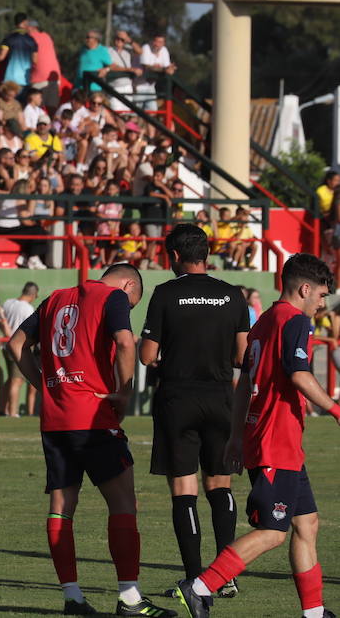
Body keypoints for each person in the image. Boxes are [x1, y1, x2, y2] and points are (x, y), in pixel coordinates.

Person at [173, 253, 337, 618]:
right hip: (276, 442)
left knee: (306, 523)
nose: (322, 304)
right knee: (273, 532)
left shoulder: (264, 321)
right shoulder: (295, 321)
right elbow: (298, 374)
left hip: (277, 441)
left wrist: (235, 437)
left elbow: (246, 382)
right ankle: (199, 587)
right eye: (321, 295)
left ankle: (313, 613)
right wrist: (336, 408)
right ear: (305, 289)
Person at [9, 263, 174, 617]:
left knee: (61, 506)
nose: (126, 310)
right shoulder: (112, 296)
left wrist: (45, 387)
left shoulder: (55, 298)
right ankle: (130, 598)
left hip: (56, 420)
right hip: (94, 415)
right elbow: (125, 342)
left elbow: (16, 344)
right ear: (129, 285)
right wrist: (125, 393)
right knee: (123, 503)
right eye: (132, 304)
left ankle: (72, 597)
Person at [140, 224, 251, 592]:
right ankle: (225, 576)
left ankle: (193, 578)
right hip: (221, 397)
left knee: (184, 490)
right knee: (220, 485)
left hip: (178, 399)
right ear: (206, 253)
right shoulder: (233, 295)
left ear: (173, 256)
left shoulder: (165, 294)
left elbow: (146, 355)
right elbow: (241, 356)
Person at [3, 281, 40, 416]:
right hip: (18, 346)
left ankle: (2, 408)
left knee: (10, 379)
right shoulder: (28, 309)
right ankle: (13, 412)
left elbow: (1, 319)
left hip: (5, 345)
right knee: (17, 381)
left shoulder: (8, 303)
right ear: (33, 294)